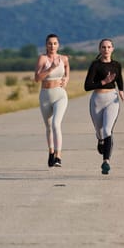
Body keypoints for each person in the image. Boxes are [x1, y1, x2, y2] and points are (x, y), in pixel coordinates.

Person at [84, 39, 124, 175]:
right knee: (100, 131)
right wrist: (103, 81)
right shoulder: (95, 65)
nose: (106, 49)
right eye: (103, 47)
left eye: (108, 47)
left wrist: (121, 91)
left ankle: (106, 161)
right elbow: (87, 86)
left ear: (112, 49)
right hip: (97, 100)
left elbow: (119, 79)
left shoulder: (117, 65)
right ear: (100, 49)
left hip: (112, 99)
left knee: (108, 130)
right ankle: (100, 139)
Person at [34, 34, 69, 168]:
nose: (52, 46)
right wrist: (51, 68)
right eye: (49, 43)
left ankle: (58, 156)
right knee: (48, 127)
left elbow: (67, 70)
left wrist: (66, 79)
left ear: (58, 45)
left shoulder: (64, 58)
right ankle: (51, 152)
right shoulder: (42, 59)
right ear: (46, 45)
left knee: (56, 124)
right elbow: (37, 78)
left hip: (60, 95)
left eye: (55, 43)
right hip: (45, 96)